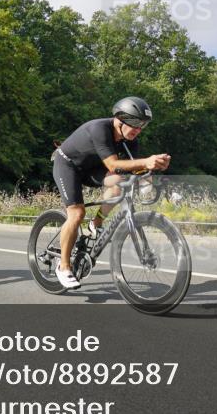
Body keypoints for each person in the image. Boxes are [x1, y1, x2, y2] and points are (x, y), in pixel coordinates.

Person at [51, 96, 170, 289]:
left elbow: (130, 168)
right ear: (120, 119)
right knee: (76, 214)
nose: (138, 130)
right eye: (135, 124)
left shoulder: (129, 140)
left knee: (120, 182)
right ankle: (64, 266)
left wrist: (150, 173)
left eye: (143, 126)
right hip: (68, 165)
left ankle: (95, 223)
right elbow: (114, 164)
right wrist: (145, 162)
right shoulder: (100, 129)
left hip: (92, 169)